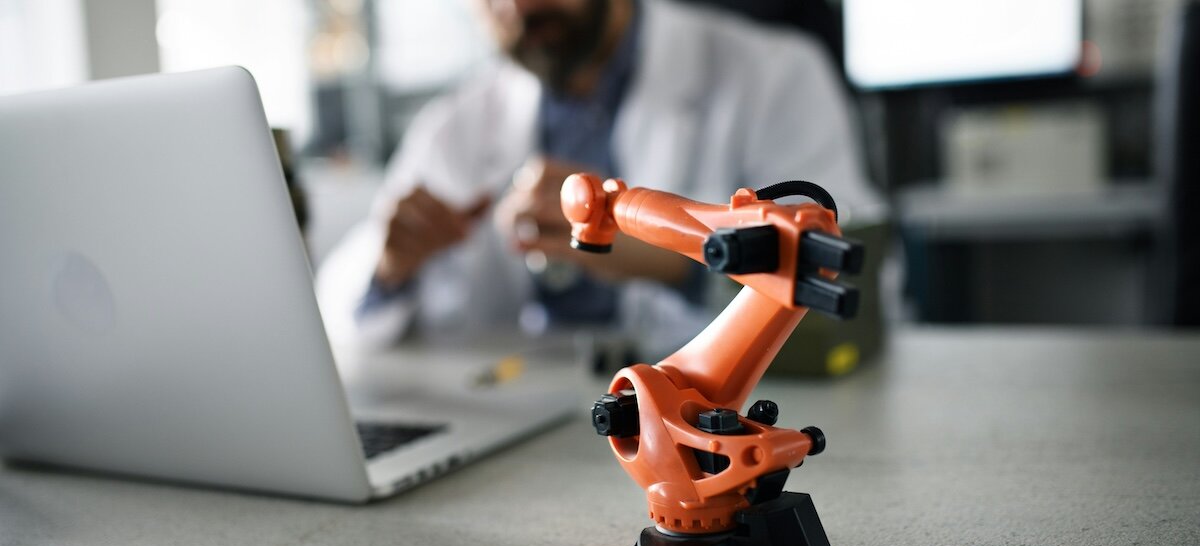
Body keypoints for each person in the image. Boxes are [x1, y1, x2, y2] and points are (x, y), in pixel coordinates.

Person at [316, 0, 883, 355]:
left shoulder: (775, 73)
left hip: (715, 408)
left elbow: (850, 281)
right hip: (528, 415)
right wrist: (390, 270)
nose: (518, 6)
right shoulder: (457, 123)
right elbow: (337, 312)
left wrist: (673, 259)